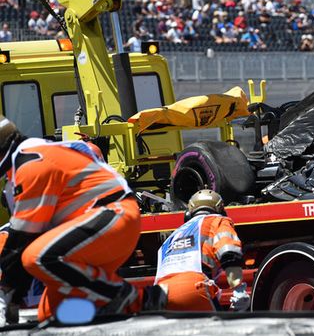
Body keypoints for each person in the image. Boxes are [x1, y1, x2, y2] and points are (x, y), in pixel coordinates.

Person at [0, 116, 166, 324]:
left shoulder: (31, 162)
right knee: (50, 314)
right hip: (101, 223)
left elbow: (22, 240)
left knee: (37, 257)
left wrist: (6, 295)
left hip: (111, 216)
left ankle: (137, 298)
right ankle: (105, 308)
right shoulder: (26, 159)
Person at [154, 190, 246, 312]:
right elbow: (229, 253)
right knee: (220, 329)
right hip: (194, 287)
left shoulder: (173, 235)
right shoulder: (216, 220)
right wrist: (238, 290)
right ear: (220, 210)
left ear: (188, 213)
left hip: (162, 293)